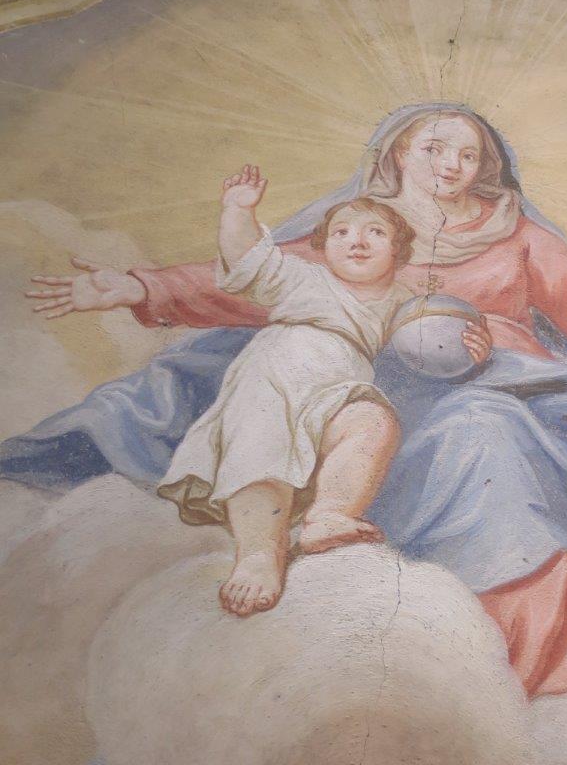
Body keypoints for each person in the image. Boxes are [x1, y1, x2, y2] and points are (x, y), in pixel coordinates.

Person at [8, 103, 567, 763]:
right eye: (435, 148)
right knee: (463, 434)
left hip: (504, 385)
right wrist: (138, 286)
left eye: (469, 154)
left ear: (488, 167)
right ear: (397, 155)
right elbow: (254, 279)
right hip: (379, 393)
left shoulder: (513, 236)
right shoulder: (359, 227)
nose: (452, 165)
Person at [158, 167, 452, 617]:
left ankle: (329, 515)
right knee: (260, 456)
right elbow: (246, 258)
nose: (357, 240)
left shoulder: (401, 299)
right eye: (342, 232)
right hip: (274, 381)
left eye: (375, 232)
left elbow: (442, 333)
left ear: (398, 250)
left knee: (374, 424)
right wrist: (238, 211)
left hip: (338, 390)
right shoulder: (303, 279)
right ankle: (259, 555)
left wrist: (465, 337)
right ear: (324, 246)